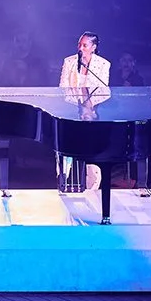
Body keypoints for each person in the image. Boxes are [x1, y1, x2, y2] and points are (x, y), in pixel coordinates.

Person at [57, 32, 111, 191]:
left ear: (93, 47)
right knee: (66, 151)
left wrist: (88, 108)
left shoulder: (103, 65)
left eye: (85, 45)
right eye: (79, 44)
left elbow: (103, 90)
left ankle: (92, 190)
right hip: (71, 112)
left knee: (92, 154)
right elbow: (62, 88)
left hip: (92, 115)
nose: (81, 48)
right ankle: (63, 182)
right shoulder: (69, 62)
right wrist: (75, 105)